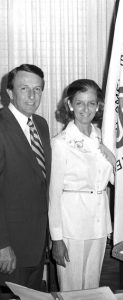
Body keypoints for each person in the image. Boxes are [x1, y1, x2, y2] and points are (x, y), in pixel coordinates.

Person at [48, 79, 115, 291]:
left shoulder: (105, 137)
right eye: (79, 103)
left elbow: (116, 181)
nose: (86, 109)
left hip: (99, 221)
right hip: (71, 224)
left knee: (92, 285)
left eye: (91, 103)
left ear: (98, 106)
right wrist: (56, 238)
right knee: (71, 288)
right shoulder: (61, 142)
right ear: (69, 105)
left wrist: (114, 159)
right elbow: (54, 194)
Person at [0, 64, 51, 290]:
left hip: (38, 243)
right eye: (24, 88)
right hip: (10, 247)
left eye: (37, 89)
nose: (32, 96)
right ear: (10, 92)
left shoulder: (41, 124)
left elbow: (41, 184)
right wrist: (2, 245)